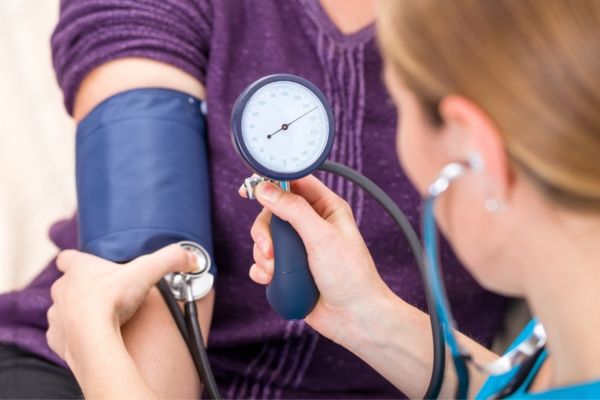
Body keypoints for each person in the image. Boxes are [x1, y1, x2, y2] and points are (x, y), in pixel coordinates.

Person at [0, 1, 508, 398]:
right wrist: (98, 353)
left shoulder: (537, 29)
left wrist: (371, 318)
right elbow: (147, 245)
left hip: (409, 378)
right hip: (99, 366)